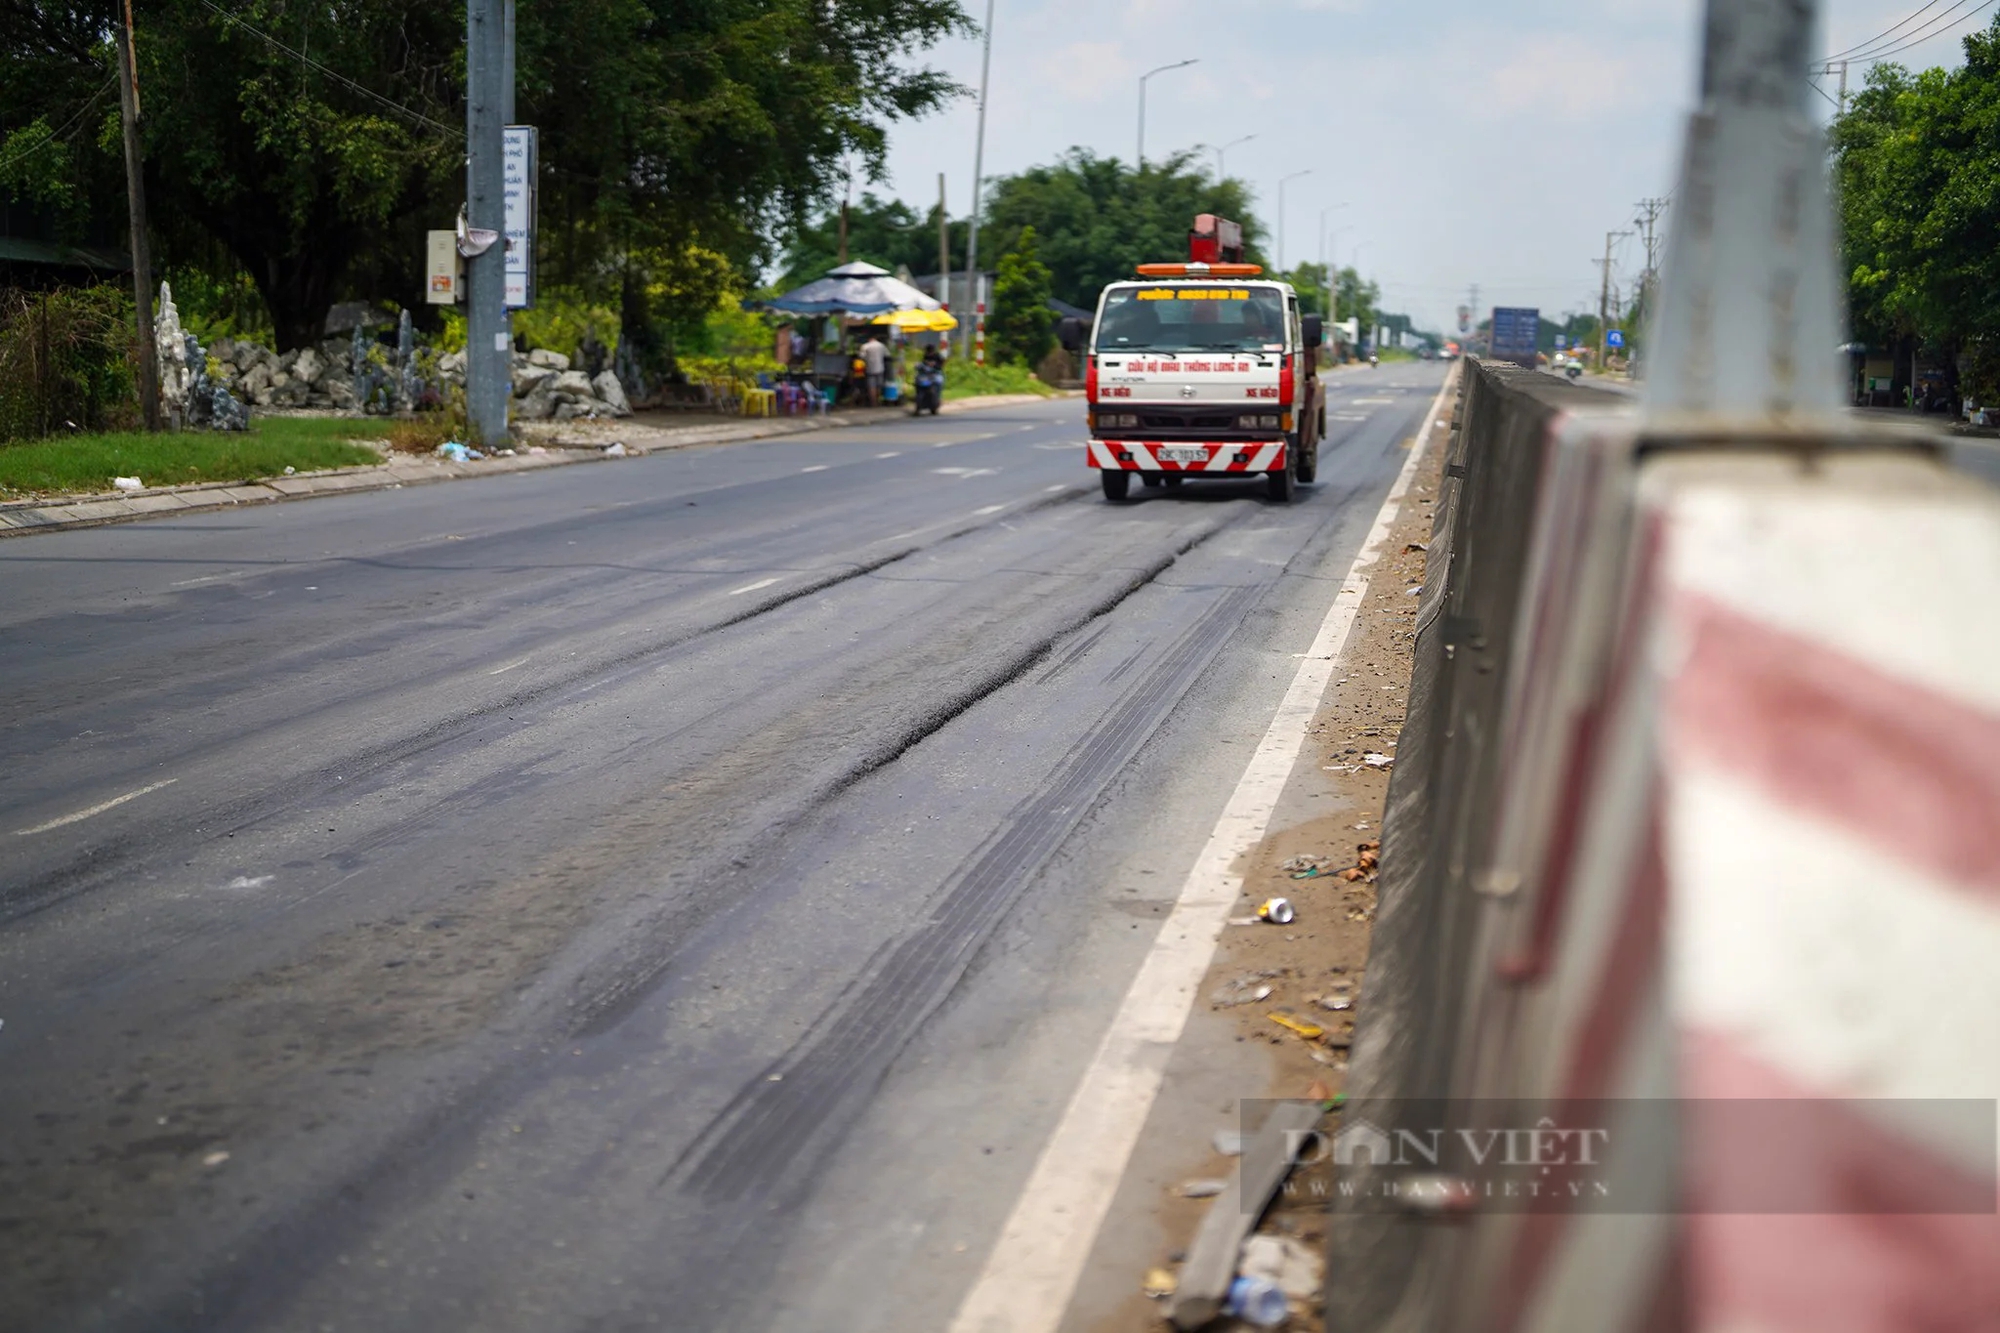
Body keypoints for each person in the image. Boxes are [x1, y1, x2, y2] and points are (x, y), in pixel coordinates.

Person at [861, 332, 888, 406]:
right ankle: (878, 400)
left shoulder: (865, 346)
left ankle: (873, 402)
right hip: (880, 368)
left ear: (869, 339)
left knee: (871, 386)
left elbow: (861, 356)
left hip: (870, 368)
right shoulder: (881, 345)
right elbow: (887, 355)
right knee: (879, 385)